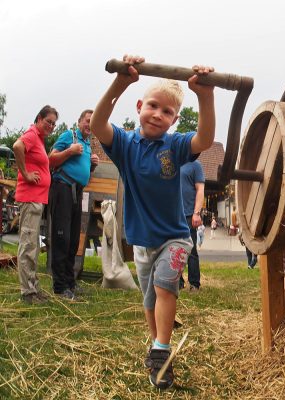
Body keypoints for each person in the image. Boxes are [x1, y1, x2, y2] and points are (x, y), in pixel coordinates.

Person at [90, 54, 215, 389]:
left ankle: (161, 347)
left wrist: (205, 95)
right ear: (140, 106)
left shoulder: (174, 146)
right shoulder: (126, 145)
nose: (159, 115)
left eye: (168, 112)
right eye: (154, 107)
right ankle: (160, 354)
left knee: (164, 286)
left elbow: (203, 138)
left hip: (175, 237)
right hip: (142, 240)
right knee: (150, 300)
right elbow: (98, 124)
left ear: (174, 120)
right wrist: (120, 82)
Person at [48, 109, 100, 300]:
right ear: (79, 121)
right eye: (87, 121)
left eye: (93, 123)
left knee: (72, 241)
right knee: (62, 238)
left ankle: (70, 283)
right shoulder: (68, 136)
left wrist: (92, 164)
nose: (89, 125)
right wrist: (69, 151)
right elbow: (50, 160)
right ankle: (60, 288)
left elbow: (83, 170)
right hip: (62, 188)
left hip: (77, 192)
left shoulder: (87, 144)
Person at [13, 105, 57, 305]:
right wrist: (26, 174)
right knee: (28, 244)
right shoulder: (31, 134)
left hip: (37, 198)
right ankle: (28, 293)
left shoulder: (39, 139)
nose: (51, 126)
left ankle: (34, 287)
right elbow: (17, 146)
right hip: (30, 198)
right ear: (39, 118)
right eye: (48, 121)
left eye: (53, 124)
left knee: (33, 244)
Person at [178, 158, 205, 291]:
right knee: (173, 250)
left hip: (189, 214)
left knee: (191, 250)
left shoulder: (195, 164)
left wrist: (197, 213)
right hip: (172, 215)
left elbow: (200, 189)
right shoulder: (173, 162)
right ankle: (178, 282)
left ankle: (194, 283)